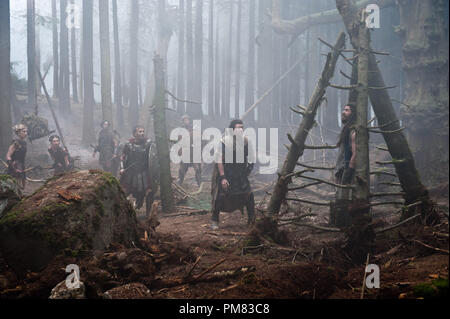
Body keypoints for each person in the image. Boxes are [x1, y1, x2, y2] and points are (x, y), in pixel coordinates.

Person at [210, 119, 256, 230]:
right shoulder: (224, 141)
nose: (240, 130)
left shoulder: (246, 141)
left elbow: (251, 157)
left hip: (240, 175)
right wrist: (222, 177)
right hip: (227, 173)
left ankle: (252, 221)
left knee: (249, 196)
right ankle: (215, 220)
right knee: (220, 197)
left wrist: (249, 168)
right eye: (238, 127)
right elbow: (219, 160)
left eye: (242, 127)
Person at [330, 103, 357, 227]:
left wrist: (348, 173)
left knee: (345, 199)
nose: (343, 112)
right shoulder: (347, 129)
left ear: (353, 113)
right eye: (344, 109)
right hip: (342, 169)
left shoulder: (353, 132)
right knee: (340, 198)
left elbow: (354, 155)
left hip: (347, 170)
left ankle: (346, 227)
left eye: (347, 110)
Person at [119, 125, 155, 216]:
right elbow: (122, 158)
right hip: (130, 172)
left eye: (143, 131)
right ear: (134, 134)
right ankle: (122, 212)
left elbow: (154, 157)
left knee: (147, 191)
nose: (142, 133)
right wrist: (122, 168)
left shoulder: (148, 144)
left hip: (144, 172)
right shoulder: (128, 144)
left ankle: (147, 213)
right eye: (140, 131)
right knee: (124, 192)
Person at [177, 114, 202, 187]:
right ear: (182, 121)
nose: (186, 121)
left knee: (197, 168)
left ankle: (199, 182)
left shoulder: (194, 128)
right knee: (182, 169)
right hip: (185, 152)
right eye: (184, 120)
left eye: (187, 119)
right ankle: (180, 182)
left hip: (194, 151)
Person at [5, 124, 28, 189]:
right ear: (18, 132)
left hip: (21, 165)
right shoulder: (15, 142)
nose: (26, 133)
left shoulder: (24, 143)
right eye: (24, 131)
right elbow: (8, 156)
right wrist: (14, 168)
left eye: (26, 131)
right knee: (17, 187)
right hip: (15, 166)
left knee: (22, 187)